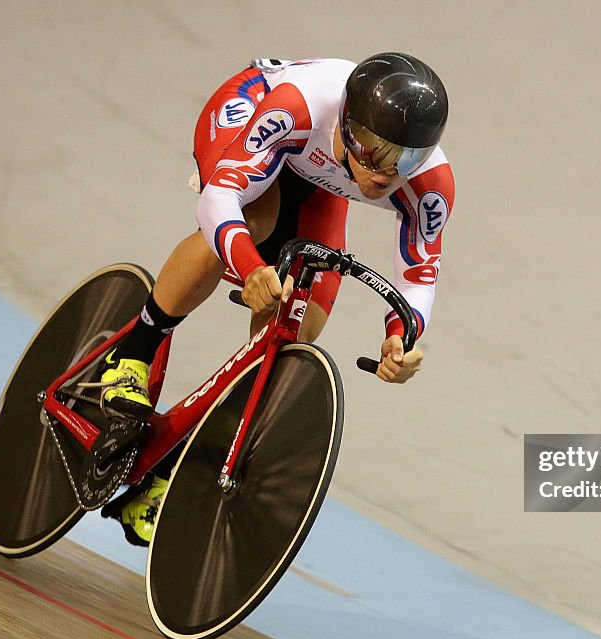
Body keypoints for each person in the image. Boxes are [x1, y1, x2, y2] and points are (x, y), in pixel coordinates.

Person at [100, 53, 455, 545]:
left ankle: (176, 466)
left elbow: (419, 276)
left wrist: (401, 337)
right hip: (253, 114)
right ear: (349, 126)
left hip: (320, 176)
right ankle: (132, 351)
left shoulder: (431, 184)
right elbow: (219, 200)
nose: (385, 172)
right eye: (375, 150)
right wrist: (249, 266)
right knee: (256, 221)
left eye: (407, 158)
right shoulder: (302, 105)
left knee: (295, 330)